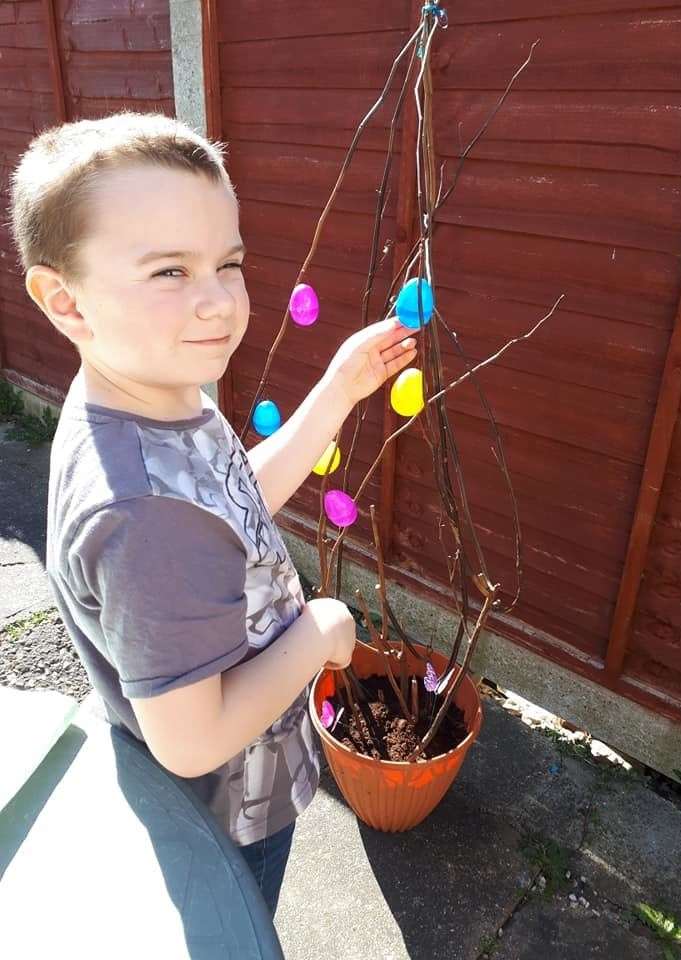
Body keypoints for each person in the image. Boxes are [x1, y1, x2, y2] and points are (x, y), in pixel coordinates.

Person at [9, 111, 417, 917]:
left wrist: (337, 390)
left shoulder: (148, 398)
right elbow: (191, 741)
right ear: (66, 301)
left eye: (227, 263)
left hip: (241, 778)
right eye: (169, 272)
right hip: (230, 814)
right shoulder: (140, 515)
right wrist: (321, 631)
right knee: (239, 924)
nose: (219, 303)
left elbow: (230, 503)